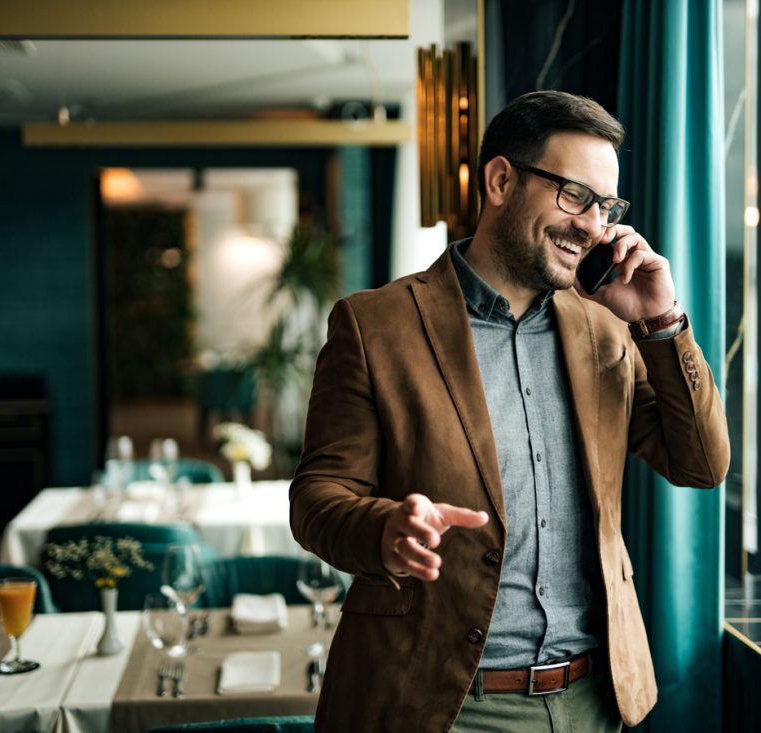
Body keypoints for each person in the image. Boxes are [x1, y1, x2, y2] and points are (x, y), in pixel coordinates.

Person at [289, 90, 730, 733]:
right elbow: (317, 498)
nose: (593, 226)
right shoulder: (374, 325)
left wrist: (662, 323)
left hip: (593, 700)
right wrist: (384, 529)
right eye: (574, 196)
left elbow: (702, 464)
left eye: (606, 207)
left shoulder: (607, 329)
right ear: (501, 180)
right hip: (439, 706)